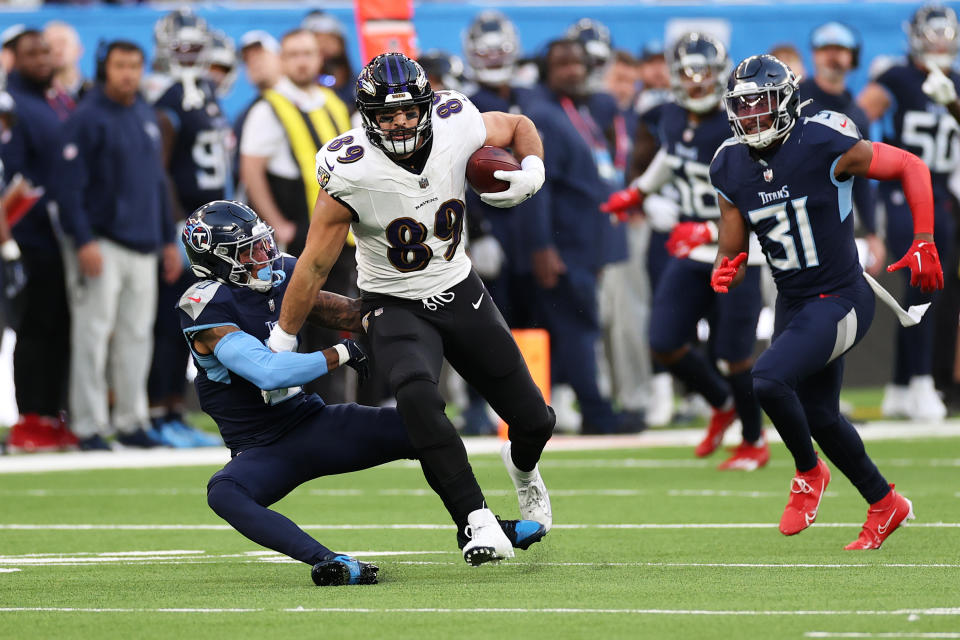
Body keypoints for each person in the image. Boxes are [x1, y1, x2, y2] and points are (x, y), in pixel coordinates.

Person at [268, 53, 555, 566]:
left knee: (535, 420)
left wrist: (532, 168)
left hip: (458, 286)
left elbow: (518, 125)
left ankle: (523, 467)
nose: (398, 123)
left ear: (426, 106)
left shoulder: (456, 121)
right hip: (393, 302)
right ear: (366, 115)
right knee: (418, 397)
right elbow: (312, 265)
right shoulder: (349, 169)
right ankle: (475, 521)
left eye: (406, 112)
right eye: (385, 114)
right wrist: (284, 337)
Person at [179, 200, 550, 585]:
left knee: (424, 424)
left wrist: (424, 314)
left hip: (313, 421)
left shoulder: (280, 274)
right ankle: (327, 560)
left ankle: (477, 524)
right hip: (260, 447)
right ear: (216, 261)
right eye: (248, 251)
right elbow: (267, 372)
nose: (263, 255)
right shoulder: (203, 308)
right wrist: (339, 352)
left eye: (263, 244)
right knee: (225, 493)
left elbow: (348, 312)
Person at [711, 54, 940, 549]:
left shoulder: (821, 141)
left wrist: (923, 237)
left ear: (787, 102)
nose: (751, 116)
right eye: (742, 107)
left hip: (843, 297)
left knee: (769, 379)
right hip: (794, 301)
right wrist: (724, 263)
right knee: (821, 415)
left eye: (761, 104)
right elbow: (733, 241)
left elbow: (911, 165)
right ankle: (885, 503)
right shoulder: (728, 163)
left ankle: (808, 473)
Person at [603, 33, 767, 469]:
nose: (696, 84)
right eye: (688, 75)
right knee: (663, 341)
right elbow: (670, 158)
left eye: (705, 74)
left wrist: (709, 228)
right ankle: (722, 404)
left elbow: (762, 193)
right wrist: (637, 192)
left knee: (734, 353)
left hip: (736, 250)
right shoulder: (672, 115)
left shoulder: (740, 118)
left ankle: (754, 439)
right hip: (689, 251)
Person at [56, 40, 181, 450]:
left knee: (136, 335)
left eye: (134, 65)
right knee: (93, 334)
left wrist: (167, 239)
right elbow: (68, 188)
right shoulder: (86, 118)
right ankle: (88, 425)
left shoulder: (145, 113)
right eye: (120, 66)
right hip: (102, 243)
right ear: (103, 69)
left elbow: (158, 184)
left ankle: (131, 420)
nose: (128, 73)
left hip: (145, 243)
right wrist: (83, 240)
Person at [524, 38, 642, 435]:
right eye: (562, 65)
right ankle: (595, 412)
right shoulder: (544, 114)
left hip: (584, 244)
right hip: (564, 245)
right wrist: (542, 246)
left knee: (578, 330)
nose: (573, 71)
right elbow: (539, 187)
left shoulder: (577, 110)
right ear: (546, 70)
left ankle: (583, 408)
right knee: (578, 329)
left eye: (578, 63)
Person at [239, 28, 354, 404]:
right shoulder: (269, 106)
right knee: (294, 320)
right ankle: (298, 403)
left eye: (308, 53)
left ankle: (336, 403)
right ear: (282, 61)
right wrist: (276, 223)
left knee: (340, 320)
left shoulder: (334, 103)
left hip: (341, 231)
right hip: (300, 227)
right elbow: (252, 170)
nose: (302, 61)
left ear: (319, 57)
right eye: (293, 54)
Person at [857, 4, 960, 421]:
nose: (939, 43)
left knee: (930, 290)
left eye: (945, 34)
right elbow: (857, 117)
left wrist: (952, 102)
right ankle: (919, 381)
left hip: (942, 196)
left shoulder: (955, 82)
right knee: (921, 285)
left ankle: (902, 386)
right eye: (932, 34)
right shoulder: (897, 77)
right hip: (902, 194)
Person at [147, 9, 231, 447]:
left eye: (194, 44)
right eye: (180, 45)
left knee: (196, 322)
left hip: (211, 226)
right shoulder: (167, 98)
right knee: (171, 320)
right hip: (188, 227)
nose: (188, 53)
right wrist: (175, 224)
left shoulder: (207, 92)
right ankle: (159, 410)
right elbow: (160, 170)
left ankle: (176, 409)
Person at [1, 28, 76, 452]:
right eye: (31, 52)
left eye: (45, 50)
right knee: (32, 327)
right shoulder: (12, 105)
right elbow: (12, 180)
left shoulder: (56, 99)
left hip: (57, 236)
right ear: (11, 58)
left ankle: (50, 414)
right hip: (27, 236)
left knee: (58, 326)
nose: (42, 58)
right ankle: (28, 419)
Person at [799, 22, 884, 277]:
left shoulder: (857, 114)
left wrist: (872, 232)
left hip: (833, 224)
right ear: (814, 54)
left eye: (840, 49)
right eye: (826, 49)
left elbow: (862, 179)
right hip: (789, 217)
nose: (832, 56)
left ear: (852, 58)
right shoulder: (793, 99)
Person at [43, 21, 89, 101]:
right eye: (50, 45)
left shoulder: (96, 93)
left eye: (62, 43)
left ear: (79, 50)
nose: (57, 50)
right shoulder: (35, 95)